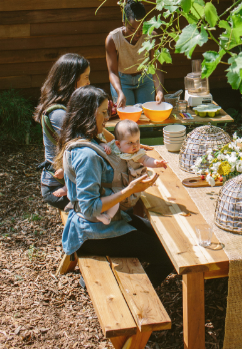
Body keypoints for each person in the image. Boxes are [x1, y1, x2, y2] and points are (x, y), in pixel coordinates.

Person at [54, 85, 173, 286]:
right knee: (168, 256)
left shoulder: (88, 139)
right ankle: (137, 298)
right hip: (92, 232)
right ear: (88, 114)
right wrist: (130, 190)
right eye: (102, 112)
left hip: (105, 221)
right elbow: (89, 208)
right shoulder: (87, 155)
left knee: (163, 239)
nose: (107, 117)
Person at [34, 53, 91, 210]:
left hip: (70, 182)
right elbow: (82, 148)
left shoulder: (70, 106)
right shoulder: (59, 114)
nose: (89, 82)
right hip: (57, 187)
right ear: (72, 80)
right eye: (86, 77)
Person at [95, 119, 167, 225]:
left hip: (127, 190)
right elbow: (100, 150)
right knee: (112, 201)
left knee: (121, 206)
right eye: (130, 142)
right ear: (118, 144)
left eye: (137, 141)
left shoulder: (136, 153)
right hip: (114, 190)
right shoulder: (112, 147)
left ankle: (111, 217)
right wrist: (103, 145)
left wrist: (156, 162)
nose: (135, 145)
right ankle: (106, 216)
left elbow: (146, 160)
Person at [106, 0, 165, 109]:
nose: (137, 34)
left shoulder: (152, 37)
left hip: (145, 79)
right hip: (122, 81)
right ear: (124, 22)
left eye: (141, 29)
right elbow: (112, 72)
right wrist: (119, 93)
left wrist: (160, 91)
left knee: (147, 119)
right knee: (128, 119)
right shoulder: (113, 39)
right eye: (132, 30)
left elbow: (156, 67)